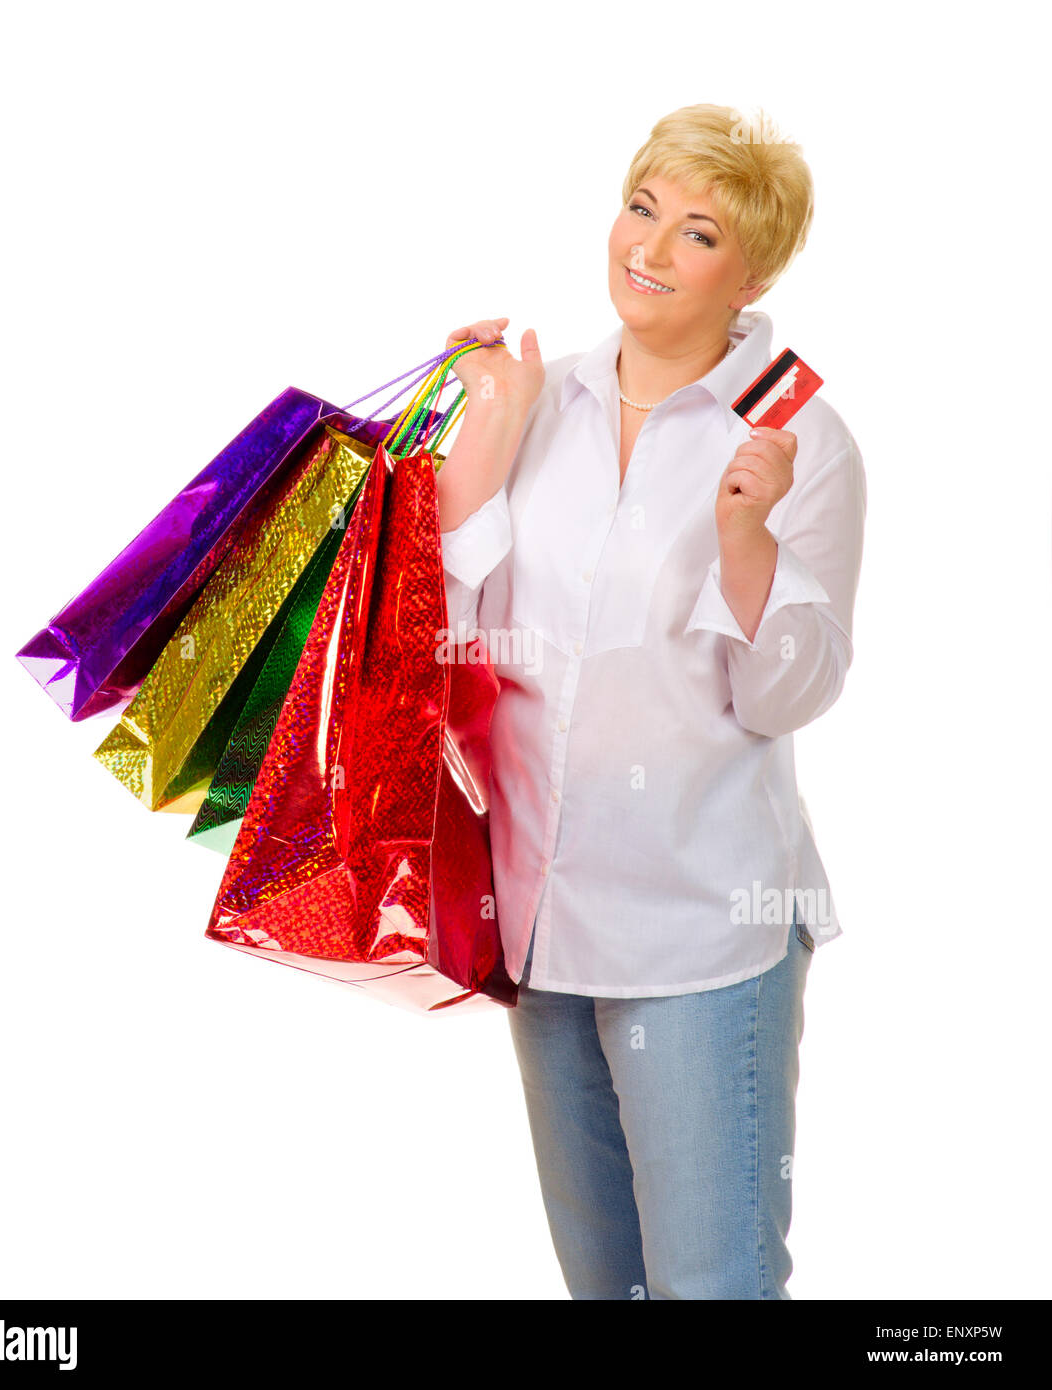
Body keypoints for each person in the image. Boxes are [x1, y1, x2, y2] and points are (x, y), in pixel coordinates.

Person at [434, 102, 866, 1300]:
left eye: (699, 234)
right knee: (605, 1290)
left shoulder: (798, 436)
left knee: (712, 1286)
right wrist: (480, 438)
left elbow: (787, 693)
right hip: (542, 925)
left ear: (755, 272)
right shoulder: (546, 398)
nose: (650, 249)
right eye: (642, 208)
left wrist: (743, 539)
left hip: (699, 930)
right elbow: (455, 642)